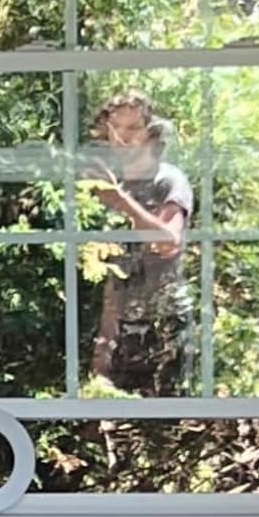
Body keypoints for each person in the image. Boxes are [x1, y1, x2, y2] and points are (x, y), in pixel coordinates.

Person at [83, 92, 194, 392]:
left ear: (151, 133)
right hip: (116, 332)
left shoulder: (168, 181)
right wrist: (102, 349)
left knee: (166, 428)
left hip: (164, 327)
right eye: (116, 129)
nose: (123, 139)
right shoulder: (98, 187)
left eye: (133, 129)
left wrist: (121, 202)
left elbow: (168, 241)